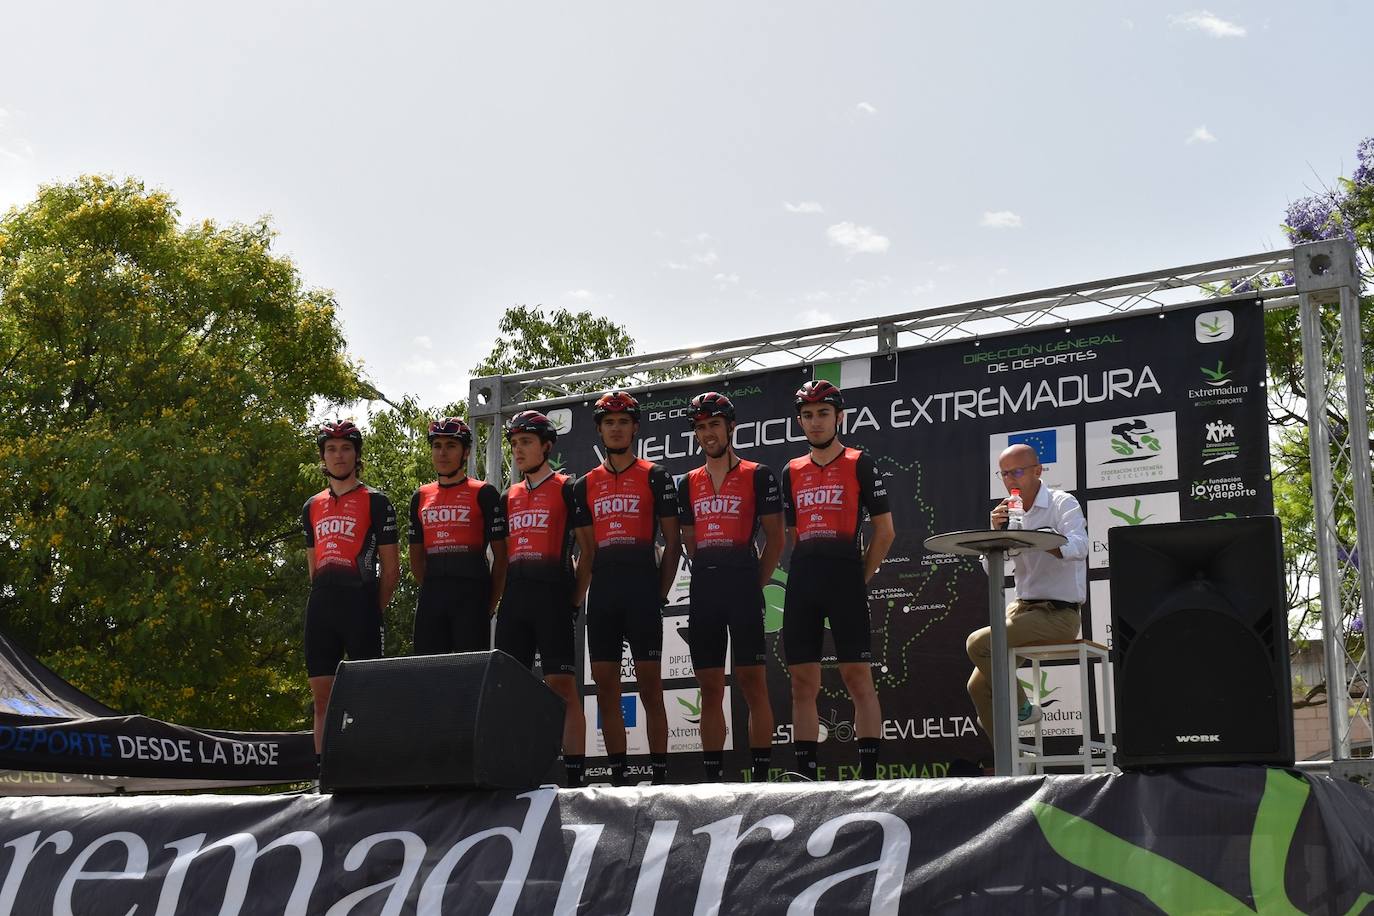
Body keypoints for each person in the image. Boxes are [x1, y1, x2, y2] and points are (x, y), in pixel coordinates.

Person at [780, 381, 894, 781]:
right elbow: (793, 534)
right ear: (800, 421)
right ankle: (806, 778)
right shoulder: (791, 470)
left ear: (839, 417)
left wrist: (859, 577)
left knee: (857, 677)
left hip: (845, 579)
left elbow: (885, 532)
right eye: (808, 415)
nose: (816, 422)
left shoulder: (860, 462)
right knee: (802, 683)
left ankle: (868, 777)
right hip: (803, 581)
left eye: (823, 414)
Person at [573, 391, 681, 787]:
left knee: (651, 688)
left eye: (623, 422)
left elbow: (673, 542)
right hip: (603, 595)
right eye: (609, 422)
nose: (616, 429)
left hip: (642, 594)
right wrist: (576, 599)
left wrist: (660, 594)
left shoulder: (655, 475)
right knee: (606, 690)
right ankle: (619, 779)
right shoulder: (583, 485)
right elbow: (586, 552)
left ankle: (660, 778)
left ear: (635, 428)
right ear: (600, 430)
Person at [677, 392, 783, 783]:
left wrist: (754, 583)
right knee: (709, 688)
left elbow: (776, 539)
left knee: (753, 684)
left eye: (715, 425)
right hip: (705, 589)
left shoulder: (758, 475)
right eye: (701, 427)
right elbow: (689, 541)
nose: (708, 433)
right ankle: (713, 781)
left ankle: (761, 779)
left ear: (730, 427)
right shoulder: (687, 482)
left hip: (743, 588)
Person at [967, 442, 1088, 752]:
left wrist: (1038, 539)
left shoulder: (1062, 503)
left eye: (1017, 472)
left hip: (1059, 614)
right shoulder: (1006, 511)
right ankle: (1013, 763)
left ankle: (1022, 708)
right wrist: (996, 535)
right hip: (1021, 610)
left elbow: (1080, 547)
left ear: (1038, 471)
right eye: (1004, 474)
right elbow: (990, 569)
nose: (1011, 480)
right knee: (977, 686)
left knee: (977, 643)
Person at [493, 410, 588, 787]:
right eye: (514, 444)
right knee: (511, 691)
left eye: (526, 442)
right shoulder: (508, 496)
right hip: (515, 601)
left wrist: (575, 599)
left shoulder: (568, 487)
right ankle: (517, 774)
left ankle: (575, 778)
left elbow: (589, 551)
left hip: (553, 596)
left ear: (546, 446)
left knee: (561, 687)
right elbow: (502, 558)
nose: (518, 450)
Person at [301, 420, 399, 756]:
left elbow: (392, 569)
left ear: (357, 455)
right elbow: (313, 566)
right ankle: (323, 773)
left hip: (361, 605)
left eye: (346, 448)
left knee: (367, 696)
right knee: (321, 699)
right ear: (323, 457)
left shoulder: (377, 501)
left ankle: (370, 767)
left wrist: (373, 610)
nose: (338, 455)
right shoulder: (311, 506)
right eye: (331, 449)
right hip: (322, 607)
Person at [409, 417, 507, 655]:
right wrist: (434, 587)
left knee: (470, 672)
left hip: (472, 596)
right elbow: (416, 558)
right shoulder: (420, 495)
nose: (442, 453)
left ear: (466, 452)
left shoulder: (484, 493)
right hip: (432, 597)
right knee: (428, 671)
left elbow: (502, 557)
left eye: (451, 446)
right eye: (437, 446)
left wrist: (490, 603)